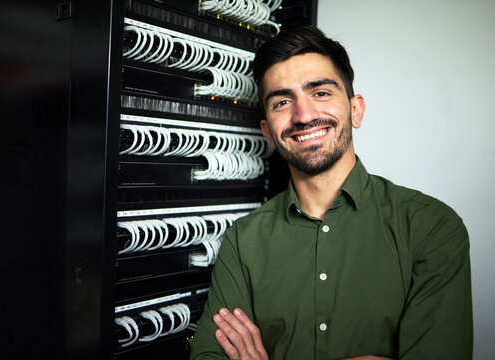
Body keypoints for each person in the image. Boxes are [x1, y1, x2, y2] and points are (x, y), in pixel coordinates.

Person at [189, 26, 473, 360]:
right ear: (268, 131)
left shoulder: (431, 227)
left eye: (321, 93)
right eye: (282, 101)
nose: (304, 115)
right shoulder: (244, 240)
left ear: (356, 110)